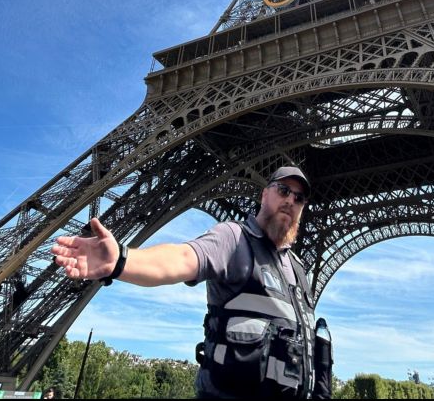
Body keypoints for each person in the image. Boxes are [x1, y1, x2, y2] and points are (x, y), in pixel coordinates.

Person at [52, 166, 331, 399]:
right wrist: (122, 261)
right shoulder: (234, 239)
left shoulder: (298, 268)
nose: (290, 201)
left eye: (299, 198)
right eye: (283, 190)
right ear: (264, 193)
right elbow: (182, 258)